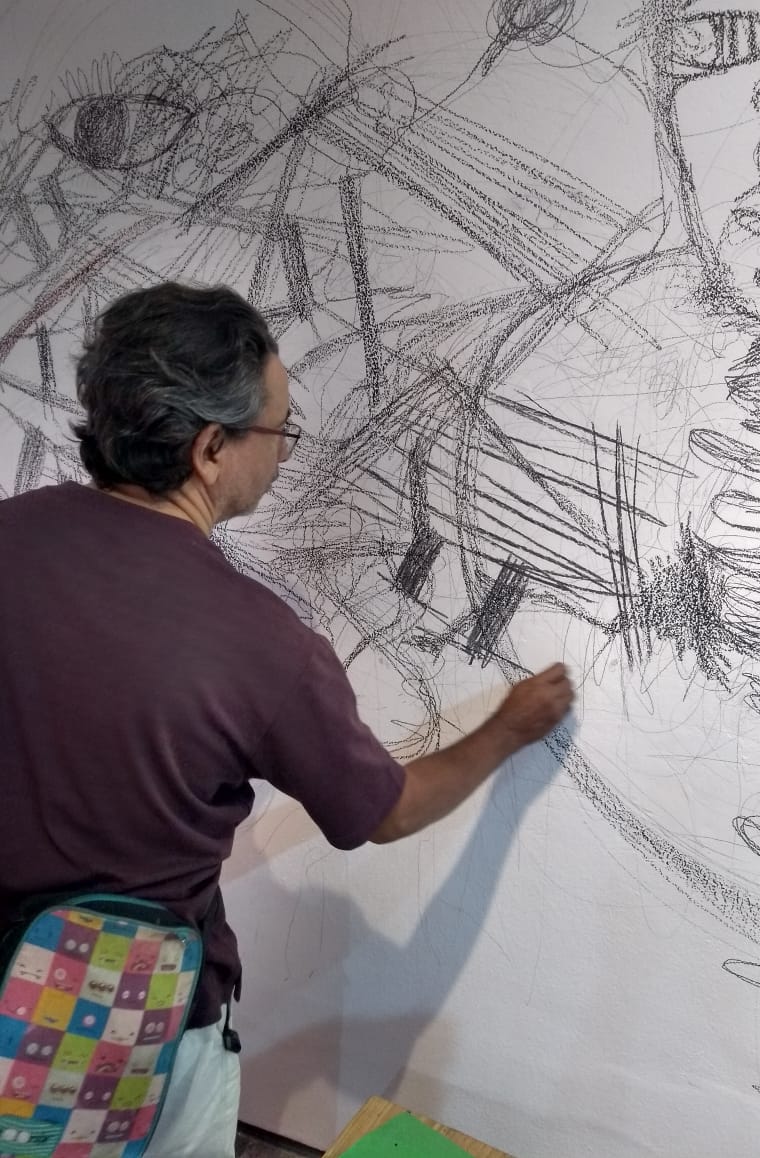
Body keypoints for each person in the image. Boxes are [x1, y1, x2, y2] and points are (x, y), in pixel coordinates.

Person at [0, 281, 574, 1157]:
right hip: (114, 1034)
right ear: (209, 449)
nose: (283, 453)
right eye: (279, 430)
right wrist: (507, 728)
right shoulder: (260, 642)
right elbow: (385, 812)